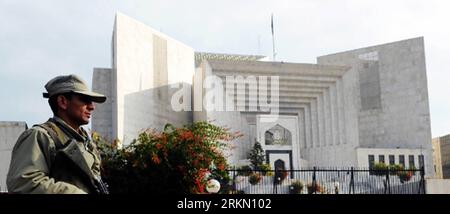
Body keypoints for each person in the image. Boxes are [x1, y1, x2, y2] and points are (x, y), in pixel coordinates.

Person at [7, 74, 109, 194]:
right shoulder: (40, 136)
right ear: (62, 102)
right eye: (84, 99)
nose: (92, 106)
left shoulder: (88, 145)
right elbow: (25, 184)